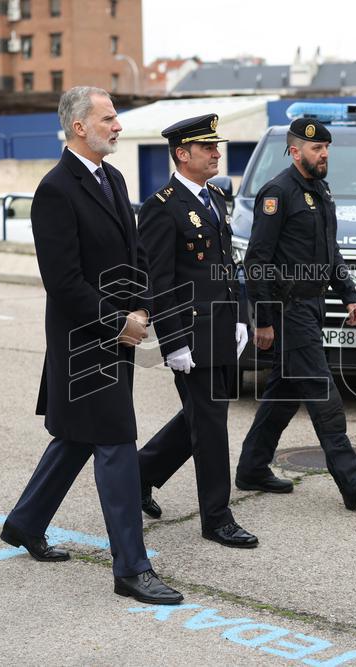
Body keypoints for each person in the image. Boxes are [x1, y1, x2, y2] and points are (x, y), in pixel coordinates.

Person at [0, 86, 182, 605]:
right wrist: (116, 322)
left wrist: (143, 307)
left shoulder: (114, 178)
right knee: (117, 442)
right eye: (109, 117)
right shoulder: (56, 189)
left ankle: (24, 522)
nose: (118, 125)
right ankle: (131, 568)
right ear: (79, 126)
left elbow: (137, 251)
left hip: (118, 333)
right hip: (85, 343)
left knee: (79, 437)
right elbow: (63, 281)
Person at [236, 117, 356, 511]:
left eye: (326, 148)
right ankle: (352, 481)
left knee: (283, 394)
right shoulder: (277, 193)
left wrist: (348, 293)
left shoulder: (320, 190)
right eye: (316, 149)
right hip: (288, 312)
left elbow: (329, 251)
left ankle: (253, 468)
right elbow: (258, 261)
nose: (324, 154)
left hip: (312, 306)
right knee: (325, 395)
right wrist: (266, 319)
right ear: (295, 151)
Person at [136, 114, 258, 549]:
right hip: (191, 335)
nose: (216, 153)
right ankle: (217, 518)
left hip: (224, 328)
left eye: (215, 147)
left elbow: (228, 266)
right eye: (207, 148)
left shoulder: (213, 197)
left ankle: (139, 474)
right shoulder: (161, 206)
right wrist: (173, 342)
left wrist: (242, 316)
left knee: (200, 416)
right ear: (182, 154)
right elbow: (158, 281)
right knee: (209, 426)